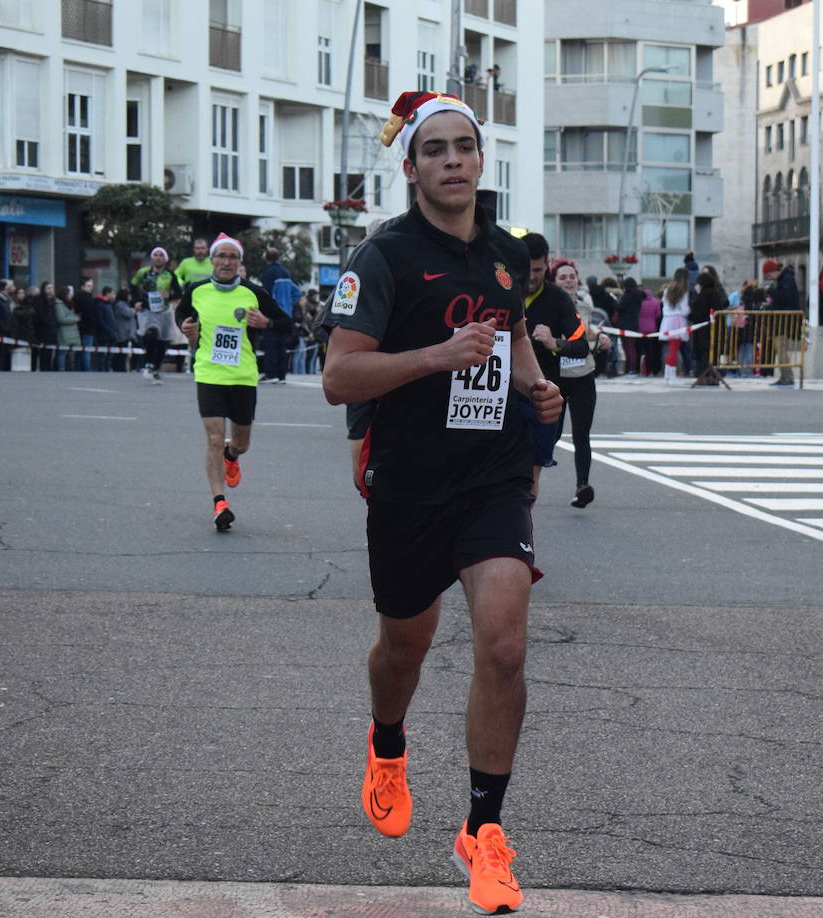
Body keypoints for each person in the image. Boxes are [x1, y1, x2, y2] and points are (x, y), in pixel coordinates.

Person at [321, 89, 561, 917]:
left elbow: (512, 330)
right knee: (405, 646)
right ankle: (387, 743)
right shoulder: (381, 258)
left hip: (491, 476)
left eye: (466, 147)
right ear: (411, 166)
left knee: (502, 646)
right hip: (409, 479)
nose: (453, 160)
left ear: (482, 160)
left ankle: (483, 833)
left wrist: (534, 385)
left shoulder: (502, 252)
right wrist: (438, 357)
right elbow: (337, 376)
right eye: (436, 150)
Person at [174, 233, 291, 531]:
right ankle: (219, 503)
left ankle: (232, 454)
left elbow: (287, 324)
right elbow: (181, 314)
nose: (226, 262)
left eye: (232, 257)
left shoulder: (254, 293)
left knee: (241, 443)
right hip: (209, 373)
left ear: (240, 263)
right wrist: (186, 327)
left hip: (243, 376)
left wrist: (267, 324)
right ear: (212, 260)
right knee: (213, 438)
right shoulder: (197, 290)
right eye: (221, 256)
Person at [520, 232, 588, 501]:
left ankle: (522, 538)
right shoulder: (502, 290)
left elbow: (580, 344)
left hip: (541, 395)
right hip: (505, 396)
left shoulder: (558, 299)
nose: (532, 276)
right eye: (527, 270)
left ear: (546, 266)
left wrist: (554, 342)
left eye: (538, 270)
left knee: (529, 485)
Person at [550, 257, 610, 508]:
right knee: (548, 434)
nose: (568, 281)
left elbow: (587, 336)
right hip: (555, 377)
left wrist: (601, 338)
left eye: (572, 276)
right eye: (562, 277)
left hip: (583, 376)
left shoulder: (585, 307)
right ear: (553, 282)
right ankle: (525, 484)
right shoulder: (546, 306)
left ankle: (582, 486)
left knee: (581, 435)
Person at [131, 246, 181, 383]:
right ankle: (148, 364)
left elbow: (179, 293)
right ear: (152, 258)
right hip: (148, 311)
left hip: (164, 312)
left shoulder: (170, 275)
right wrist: (136, 301)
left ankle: (155, 369)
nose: (158, 258)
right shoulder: (143, 273)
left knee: (162, 344)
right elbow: (133, 285)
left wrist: (169, 295)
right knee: (151, 334)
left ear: (165, 259)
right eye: (156, 255)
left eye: (161, 255)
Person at [256, 247, 299, 384]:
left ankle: (270, 373)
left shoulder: (268, 273)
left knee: (270, 343)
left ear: (266, 259)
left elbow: (266, 294)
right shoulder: (286, 273)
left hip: (273, 312)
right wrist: (289, 303)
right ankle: (281, 375)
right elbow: (297, 292)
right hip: (286, 313)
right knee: (281, 345)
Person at [690, 266, 725, 384]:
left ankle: (704, 376)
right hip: (714, 329)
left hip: (703, 330)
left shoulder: (703, 295)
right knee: (712, 353)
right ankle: (713, 377)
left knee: (704, 353)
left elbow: (697, 313)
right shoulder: (716, 293)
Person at [769, 260, 800, 386]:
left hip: (785, 320)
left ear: (774, 271)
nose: (769, 278)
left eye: (769, 274)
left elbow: (784, 297)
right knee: (780, 348)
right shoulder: (784, 279)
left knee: (781, 347)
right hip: (783, 319)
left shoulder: (786, 279)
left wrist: (770, 292)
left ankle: (787, 376)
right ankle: (785, 375)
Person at [658, 266, 690, 385]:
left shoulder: (667, 290)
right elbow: (685, 309)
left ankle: (668, 374)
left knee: (671, 349)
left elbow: (664, 308)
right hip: (678, 320)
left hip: (667, 320)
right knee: (674, 349)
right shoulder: (683, 291)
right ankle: (672, 376)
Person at [614, 274, 643, 375]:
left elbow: (619, 308)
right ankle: (633, 368)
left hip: (625, 324)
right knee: (632, 347)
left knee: (627, 348)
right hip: (634, 324)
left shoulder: (626, 296)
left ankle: (630, 368)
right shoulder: (639, 296)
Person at [637, 282, 663, 376]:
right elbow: (658, 315)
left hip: (640, 329)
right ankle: (651, 371)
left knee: (639, 350)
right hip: (652, 329)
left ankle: (639, 370)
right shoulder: (655, 302)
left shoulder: (640, 301)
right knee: (650, 351)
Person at [55, 284, 82, 371]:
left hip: (72, 332)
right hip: (64, 332)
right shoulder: (59, 305)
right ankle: (61, 369)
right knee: (62, 352)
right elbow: (61, 318)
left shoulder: (70, 304)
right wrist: (75, 319)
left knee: (71, 353)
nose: (71, 296)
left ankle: (69, 368)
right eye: (69, 295)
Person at [73, 278, 98, 371]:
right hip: (87, 327)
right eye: (88, 286)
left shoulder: (80, 297)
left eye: (91, 286)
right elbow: (89, 312)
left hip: (82, 326)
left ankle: (78, 368)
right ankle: (86, 368)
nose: (90, 288)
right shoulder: (85, 298)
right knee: (86, 349)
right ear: (82, 286)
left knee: (80, 350)